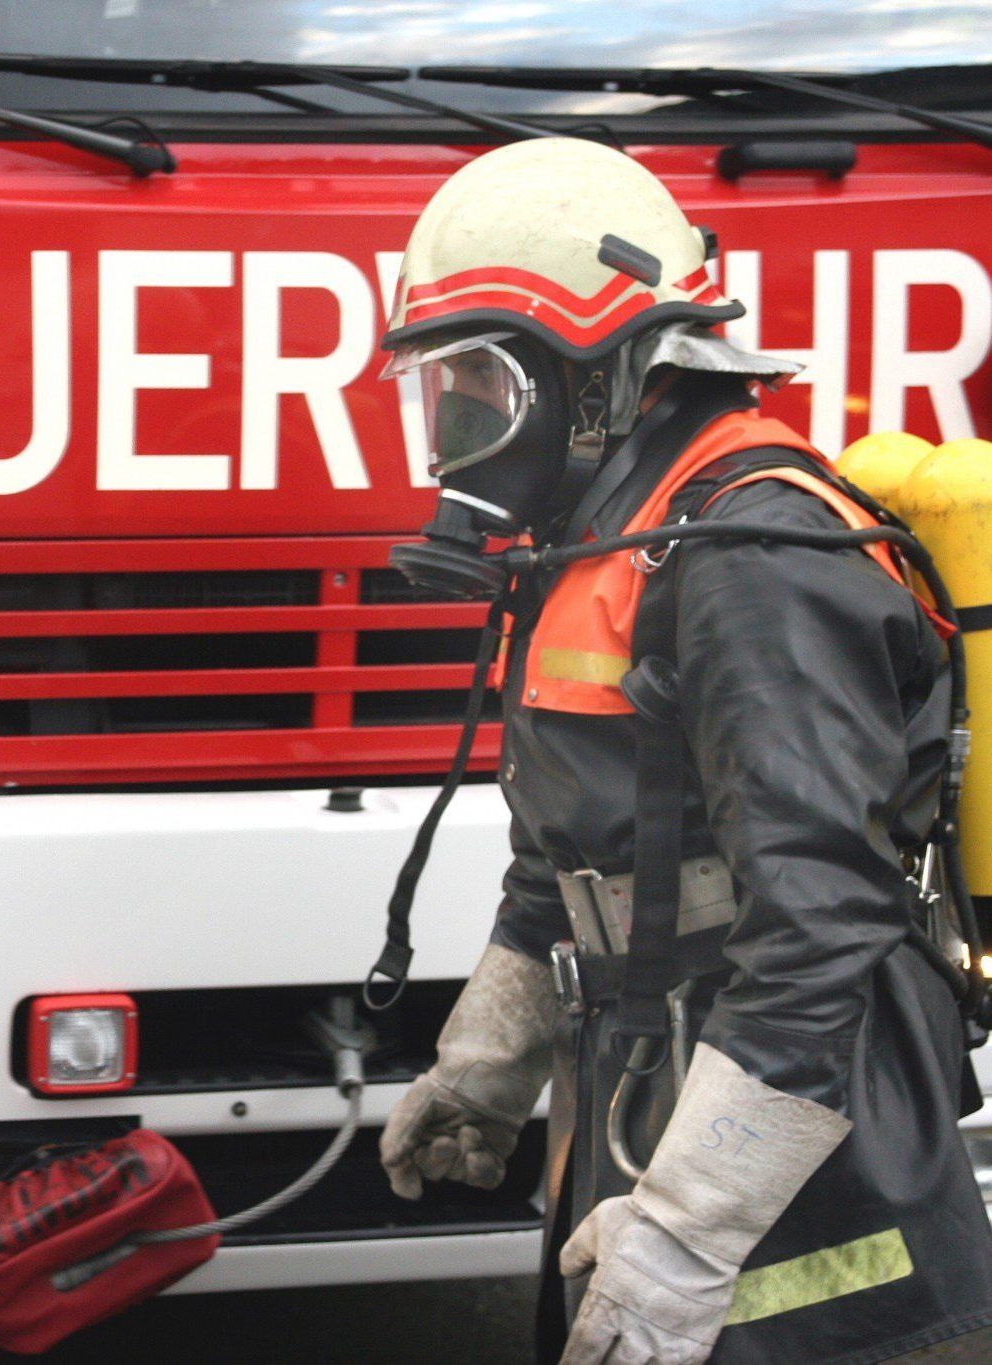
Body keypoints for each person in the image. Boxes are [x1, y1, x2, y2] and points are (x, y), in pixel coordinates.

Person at [373, 137, 992, 1364]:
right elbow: (572, 851)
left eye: (484, 390)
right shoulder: (609, 538)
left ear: (598, 381)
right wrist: (486, 1065)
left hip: (814, 1141)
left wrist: (689, 1233)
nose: (455, 438)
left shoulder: (750, 562)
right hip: (655, 1069)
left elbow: (818, 929)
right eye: (443, 395)